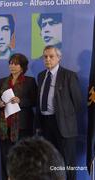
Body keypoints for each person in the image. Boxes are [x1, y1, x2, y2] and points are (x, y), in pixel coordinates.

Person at [36, 45, 82, 180]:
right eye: (45, 57)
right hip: (45, 124)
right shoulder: (40, 76)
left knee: (68, 164)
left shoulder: (69, 75)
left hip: (64, 126)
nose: (48, 59)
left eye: (51, 56)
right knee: (50, 162)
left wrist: (64, 116)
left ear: (59, 58)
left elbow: (78, 103)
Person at [0, 53, 37, 180]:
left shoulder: (29, 81)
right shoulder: (2, 81)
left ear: (22, 67)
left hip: (23, 127)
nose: (12, 66)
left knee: (22, 159)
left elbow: (35, 101)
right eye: (10, 63)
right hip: (4, 127)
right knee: (5, 159)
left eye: (16, 63)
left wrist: (21, 101)